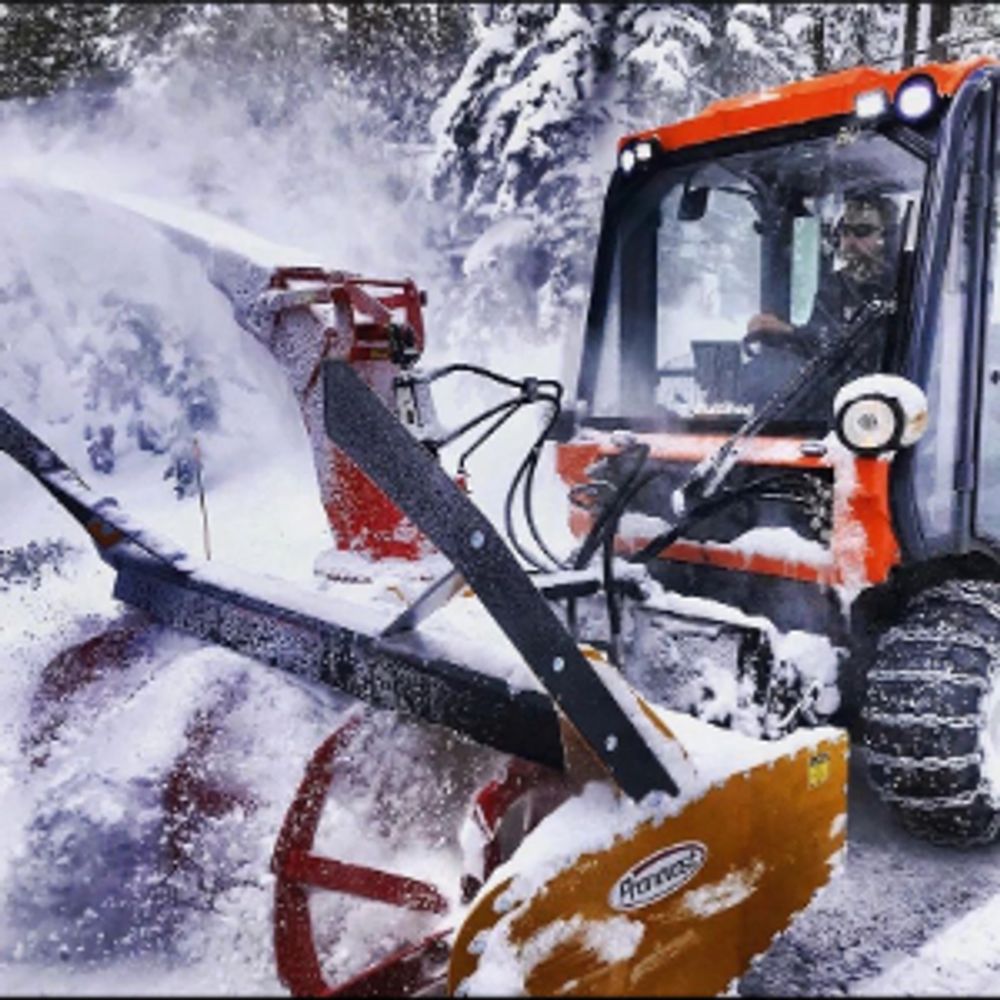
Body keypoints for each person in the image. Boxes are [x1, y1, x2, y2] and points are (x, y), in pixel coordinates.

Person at [743, 193, 899, 373]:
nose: (850, 241)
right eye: (844, 231)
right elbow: (819, 344)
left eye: (862, 231)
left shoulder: (906, 286)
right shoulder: (834, 286)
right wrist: (783, 333)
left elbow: (872, 354)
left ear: (887, 237)